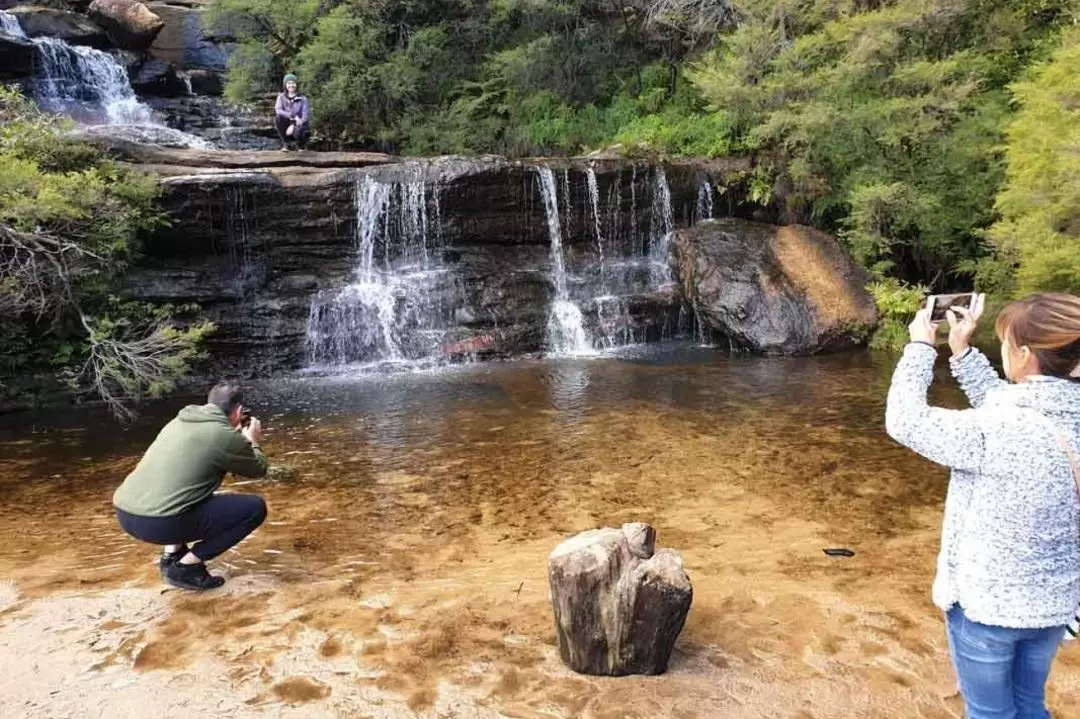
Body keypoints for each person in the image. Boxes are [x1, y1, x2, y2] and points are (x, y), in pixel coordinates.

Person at [885, 292, 1080, 719]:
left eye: (1007, 344)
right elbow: (1012, 402)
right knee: (1029, 704)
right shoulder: (1058, 415)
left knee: (990, 713)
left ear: (1025, 354)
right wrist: (962, 351)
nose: (1005, 351)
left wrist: (920, 347)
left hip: (988, 610)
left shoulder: (999, 430)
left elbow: (904, 421)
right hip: (1053, 607)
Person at [113, 382, 269, 591]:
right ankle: (186, 567)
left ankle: (172, 556)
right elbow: (259, 469)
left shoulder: (180, 421)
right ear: (239, 411)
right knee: (254, 509)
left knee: (189, 492)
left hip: (126, 514)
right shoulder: (222, 435)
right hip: (159, 523)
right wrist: (252, 441)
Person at [274, 73, 310, 151]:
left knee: (302, 127)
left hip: (299, 124)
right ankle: (286, 144)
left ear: (296, 85)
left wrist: (293, 124)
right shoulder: (281, 97)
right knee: (278, 118)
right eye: (289, 83)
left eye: (293, 83)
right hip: (288, 122)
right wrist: (292, 116)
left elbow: (305, 117)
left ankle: (300, 145)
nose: (291, 85)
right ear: (285, 85)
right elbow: (278, 110)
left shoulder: (303, 99)